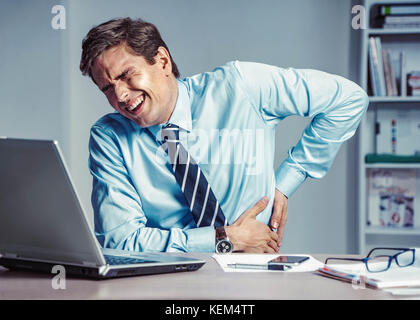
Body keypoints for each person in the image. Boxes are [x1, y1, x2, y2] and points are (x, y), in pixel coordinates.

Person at [80, 17, 369, 253]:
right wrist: (223, 237)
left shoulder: (240, 86)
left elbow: (348, 99)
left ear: (163, 61)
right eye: (106, 88)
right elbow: (120, 242)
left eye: (127, 75)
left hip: (254, 274)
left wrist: (283, 184)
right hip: (165, 281)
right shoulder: (110, 137)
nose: (119, 95)